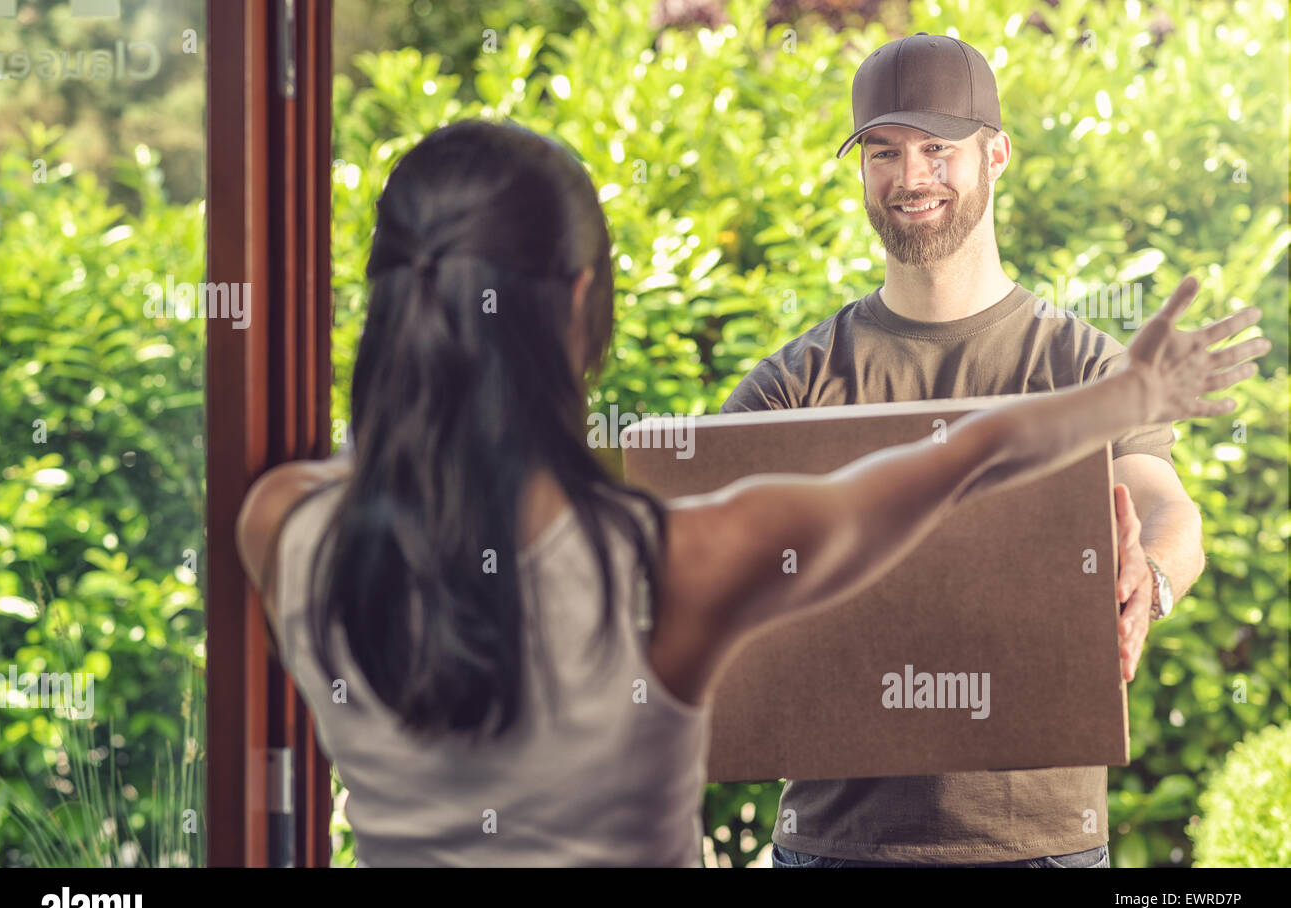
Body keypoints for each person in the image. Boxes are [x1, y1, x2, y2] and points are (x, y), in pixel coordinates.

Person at [235, 118, 1266, 867]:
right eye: (886, 149)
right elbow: (956, 462)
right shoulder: (676, 562)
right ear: (581, 302)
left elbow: (396, 472)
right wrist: (1129, 393)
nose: (911, 171)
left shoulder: (282, 525)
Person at [722, 32, 1250, 868]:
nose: (910, 176)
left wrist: (1146, 580)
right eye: (884, 151)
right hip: (836, 846)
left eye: (938, 147)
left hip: (1043, 846)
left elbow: (1165, 505)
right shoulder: (792, 385)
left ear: (996, 153)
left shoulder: (1083, 366)